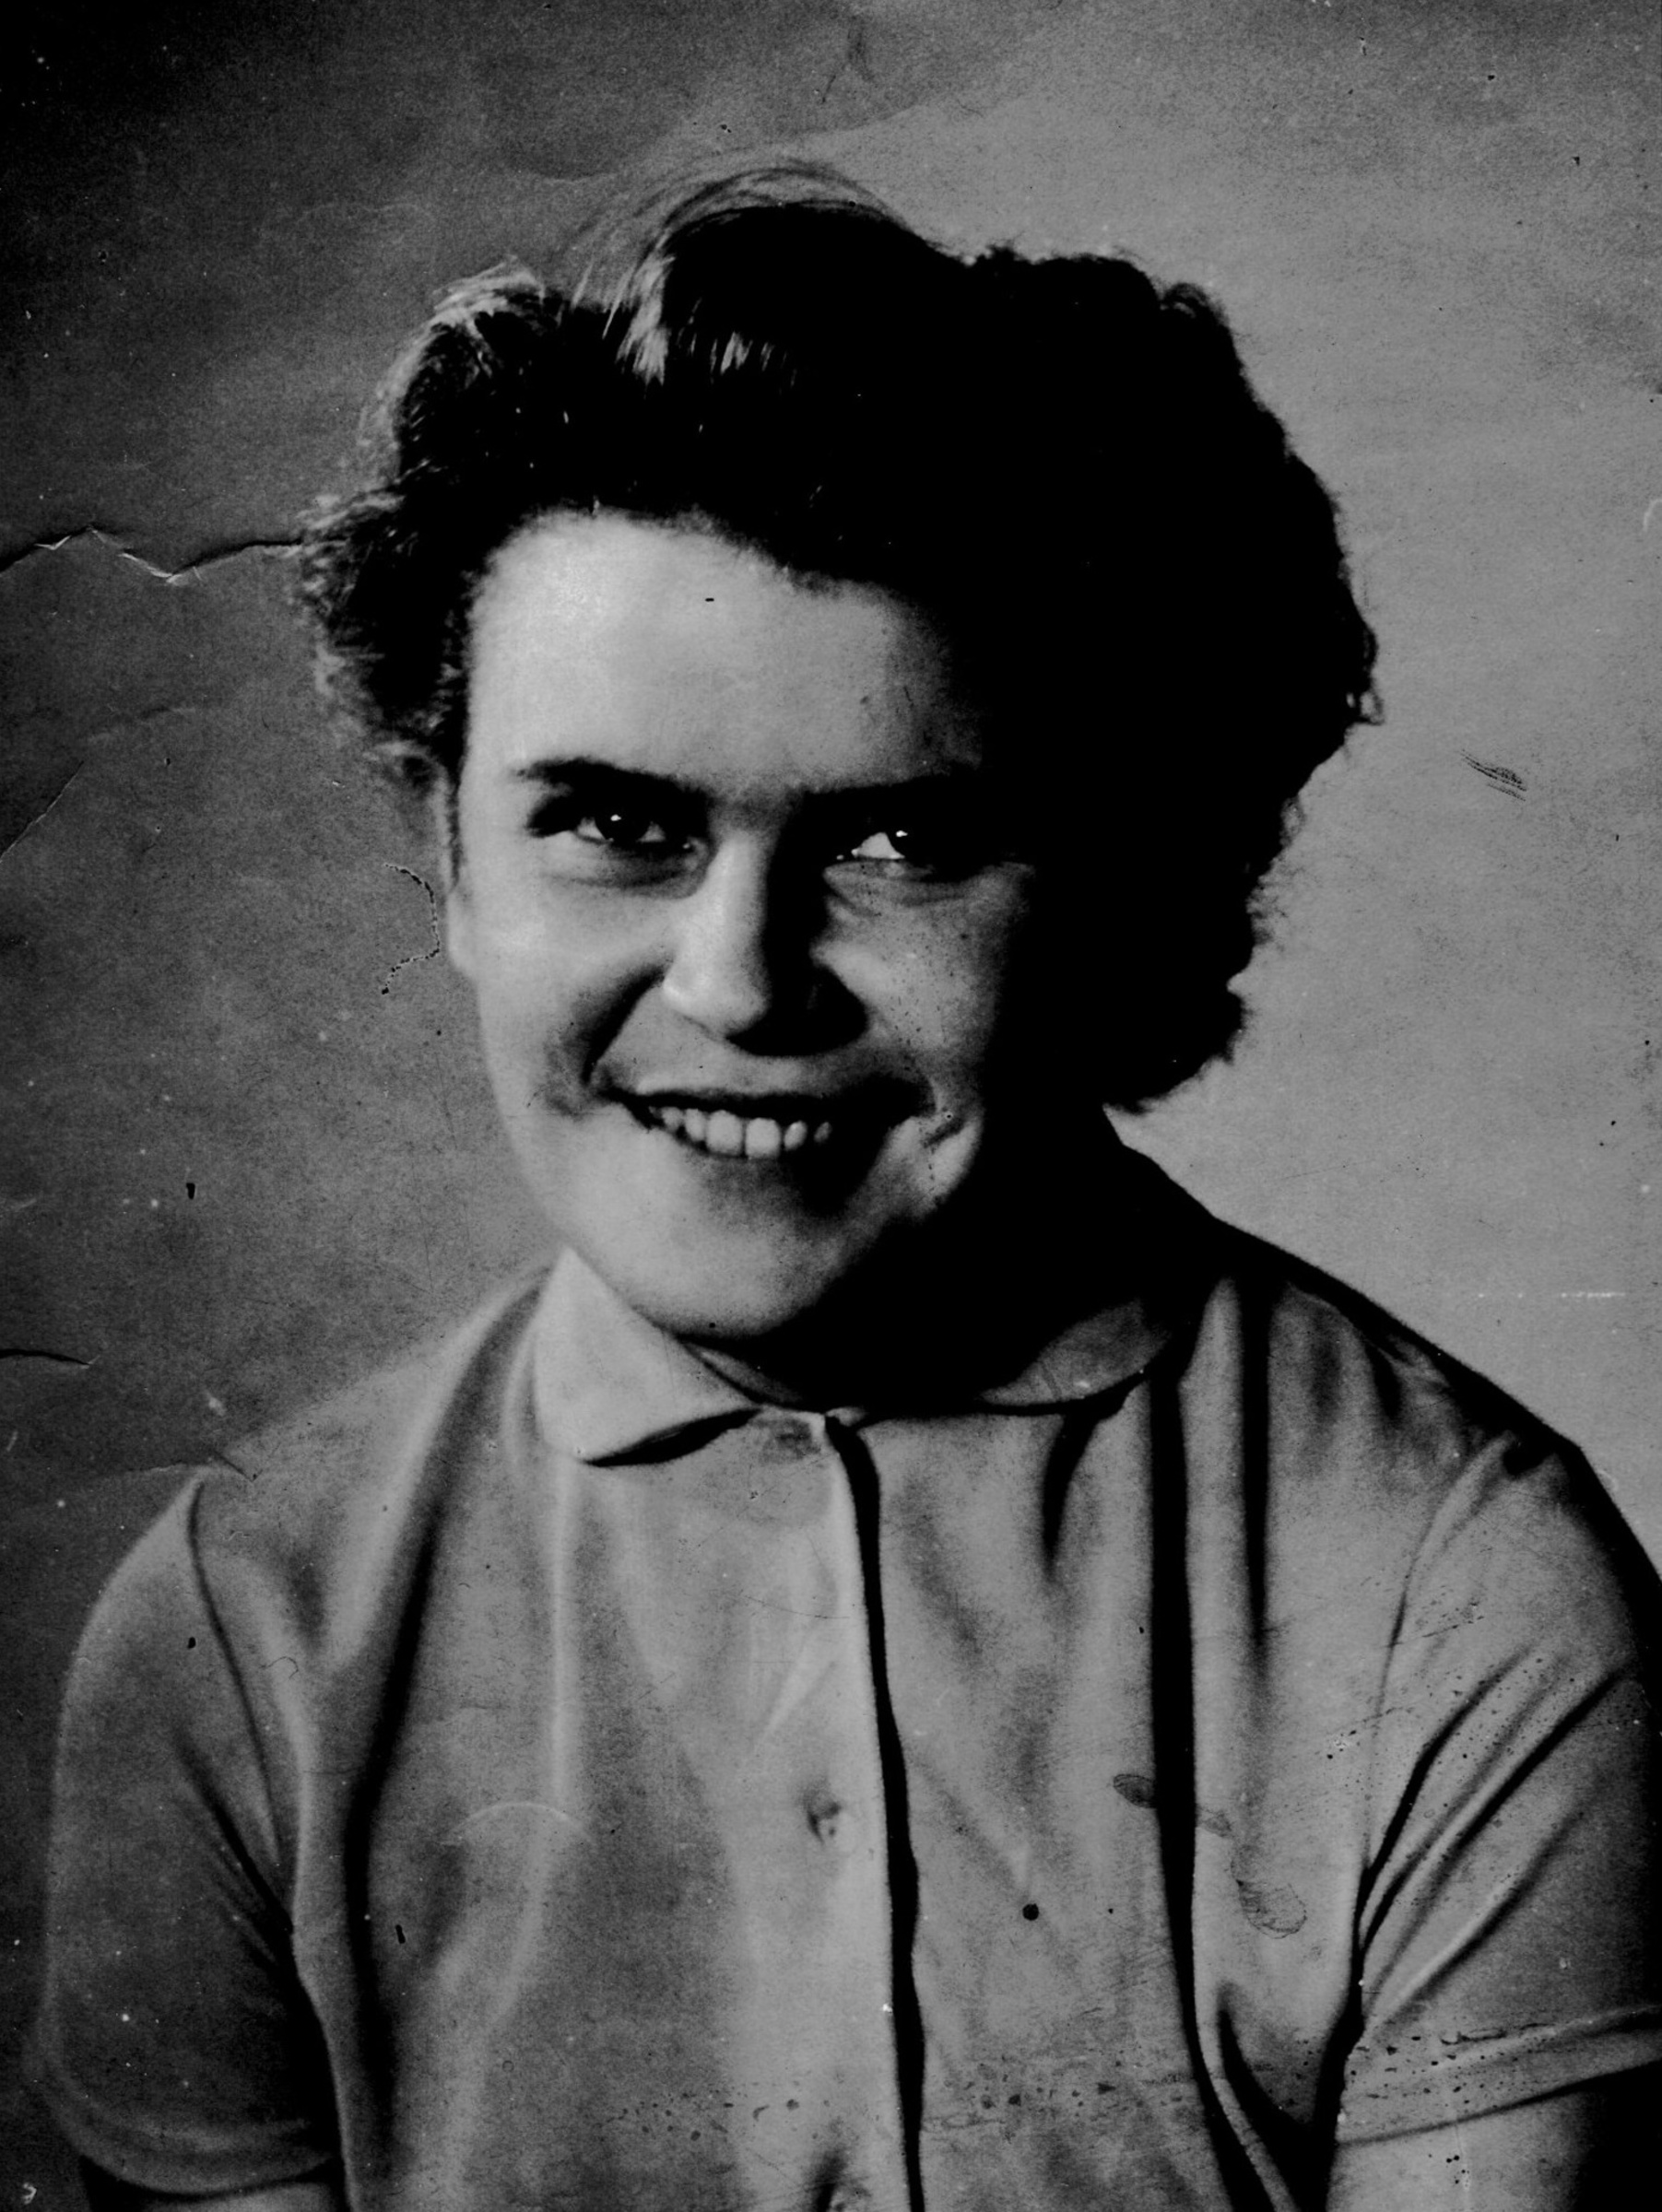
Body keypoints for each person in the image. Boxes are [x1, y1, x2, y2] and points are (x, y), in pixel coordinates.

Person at [29, 163, 1662, 2211]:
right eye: (612, 822)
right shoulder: (234, 1640)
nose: (734, 986)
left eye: (898, 843)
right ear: (447, 857)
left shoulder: (1467, 1595)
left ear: (1123, 886)